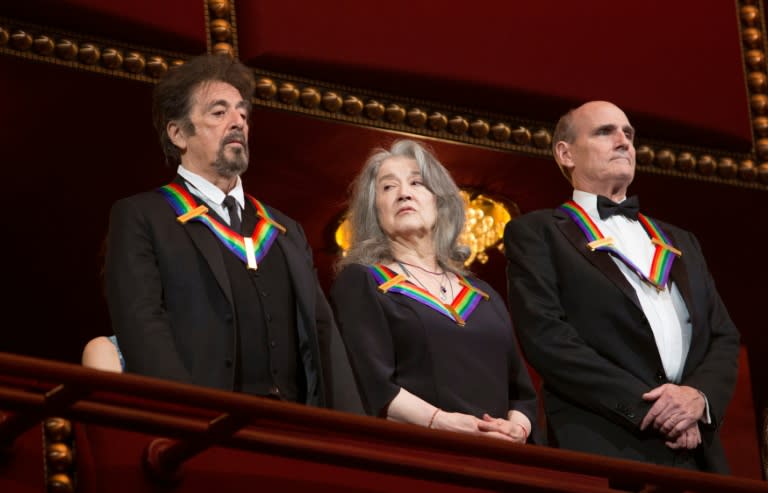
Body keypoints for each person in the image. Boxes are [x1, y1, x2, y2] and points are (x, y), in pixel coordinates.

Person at [104, 53, 359, 411]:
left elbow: (322, 334)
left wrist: (348, 435)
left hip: (296, 431)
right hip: (203, 429)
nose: (238, 122)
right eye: (219, 112)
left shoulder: (284, 230)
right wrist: (183, 418)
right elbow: (143, 326)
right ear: (178, 133)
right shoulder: (144, 217)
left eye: (242, 113)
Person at [504, 101, 740, 472]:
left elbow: (723, 336)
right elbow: (547, 338)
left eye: (628, 134)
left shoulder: (681, 240)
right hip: (605, 440)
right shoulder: (537, 233)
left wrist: (699, 398)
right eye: (604, 132)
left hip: (696, 448)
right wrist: (656, 409)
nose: (623, 141)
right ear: (565, 154)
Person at [330, 139, 537, 443]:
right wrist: (441, 423)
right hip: (422, 451)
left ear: (440, 202)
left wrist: (517, 429)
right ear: (373, 211)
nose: (404, 193)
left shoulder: (483, 295)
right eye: (388, 188)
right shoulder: (363, 282)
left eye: (417, 182)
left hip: (502, 457)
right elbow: (371, 383)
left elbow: (522, 394)